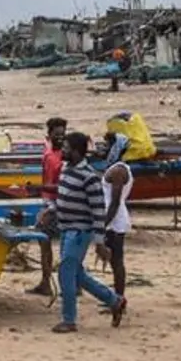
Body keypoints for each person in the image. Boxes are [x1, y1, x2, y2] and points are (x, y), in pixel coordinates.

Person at [53, 131, 125, 332]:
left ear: (76, 152)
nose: (63, 151)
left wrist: (99, 242)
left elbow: (98, 211)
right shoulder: (66, 169)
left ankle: (69, 319)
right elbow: (64, 196)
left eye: (66, 148)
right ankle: (114, 300)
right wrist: (51, 210)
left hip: (79, 232)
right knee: (77, 275)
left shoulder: (90, 177)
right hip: (66, 229)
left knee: (65, 273)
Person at [26, 117, 68, 296]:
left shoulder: (63, 157)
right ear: (49, 134)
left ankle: (49, 282)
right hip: (48, 200)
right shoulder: (49, 153)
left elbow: (62, 185)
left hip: (58, 203)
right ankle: (49, 281)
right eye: (57, 134)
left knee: (49, 241)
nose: (60, 137)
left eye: (62, 134)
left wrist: (40, 189)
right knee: (49, 242)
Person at [98, 132, 134, 300]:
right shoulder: (116, 168)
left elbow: (114, 201)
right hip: (114, 217)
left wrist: (104, 223)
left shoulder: (118, 170)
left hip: (115, 219)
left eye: (107, 145)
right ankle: (116, 297)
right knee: (114, 259)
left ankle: (119, 299)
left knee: (117, 260)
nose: (103, 148)